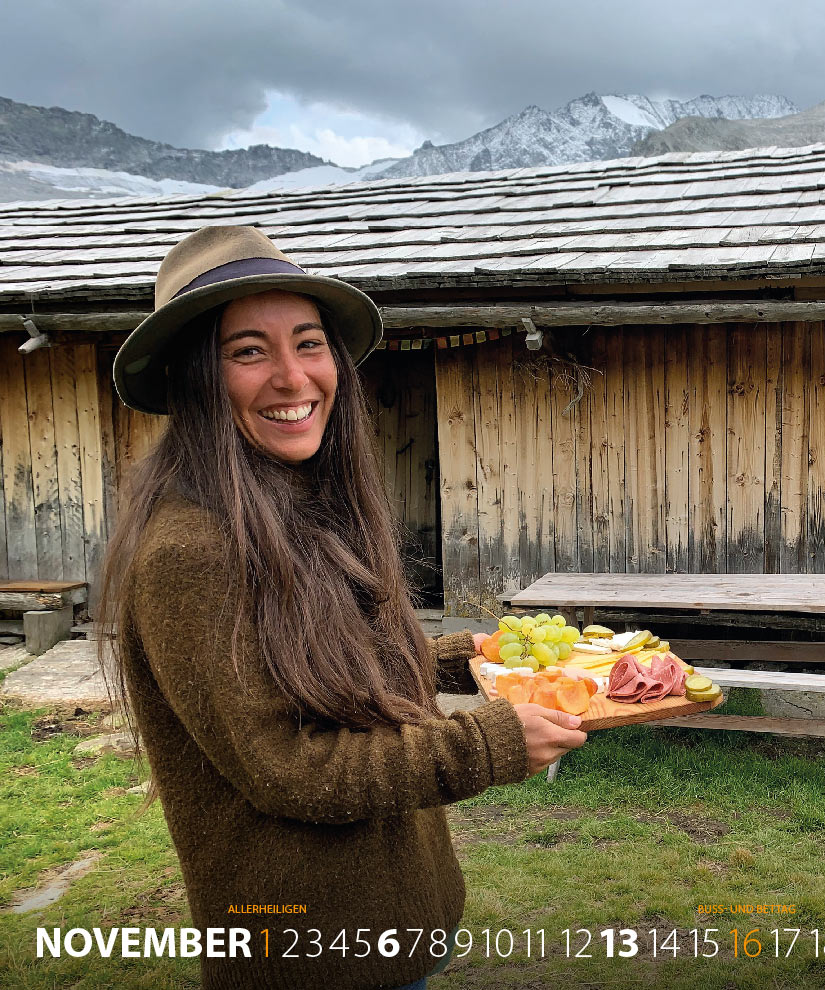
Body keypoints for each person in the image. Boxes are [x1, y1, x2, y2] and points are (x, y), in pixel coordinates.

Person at [98, 225, 588, 989]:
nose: (295, 379)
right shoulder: (190, 551)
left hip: (379, 936)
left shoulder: (291, 498)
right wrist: (485, 746)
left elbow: (311, 676)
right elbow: (288, 765)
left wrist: (464, 659)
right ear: (194, 376)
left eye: (309, 342)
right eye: (248, 351)